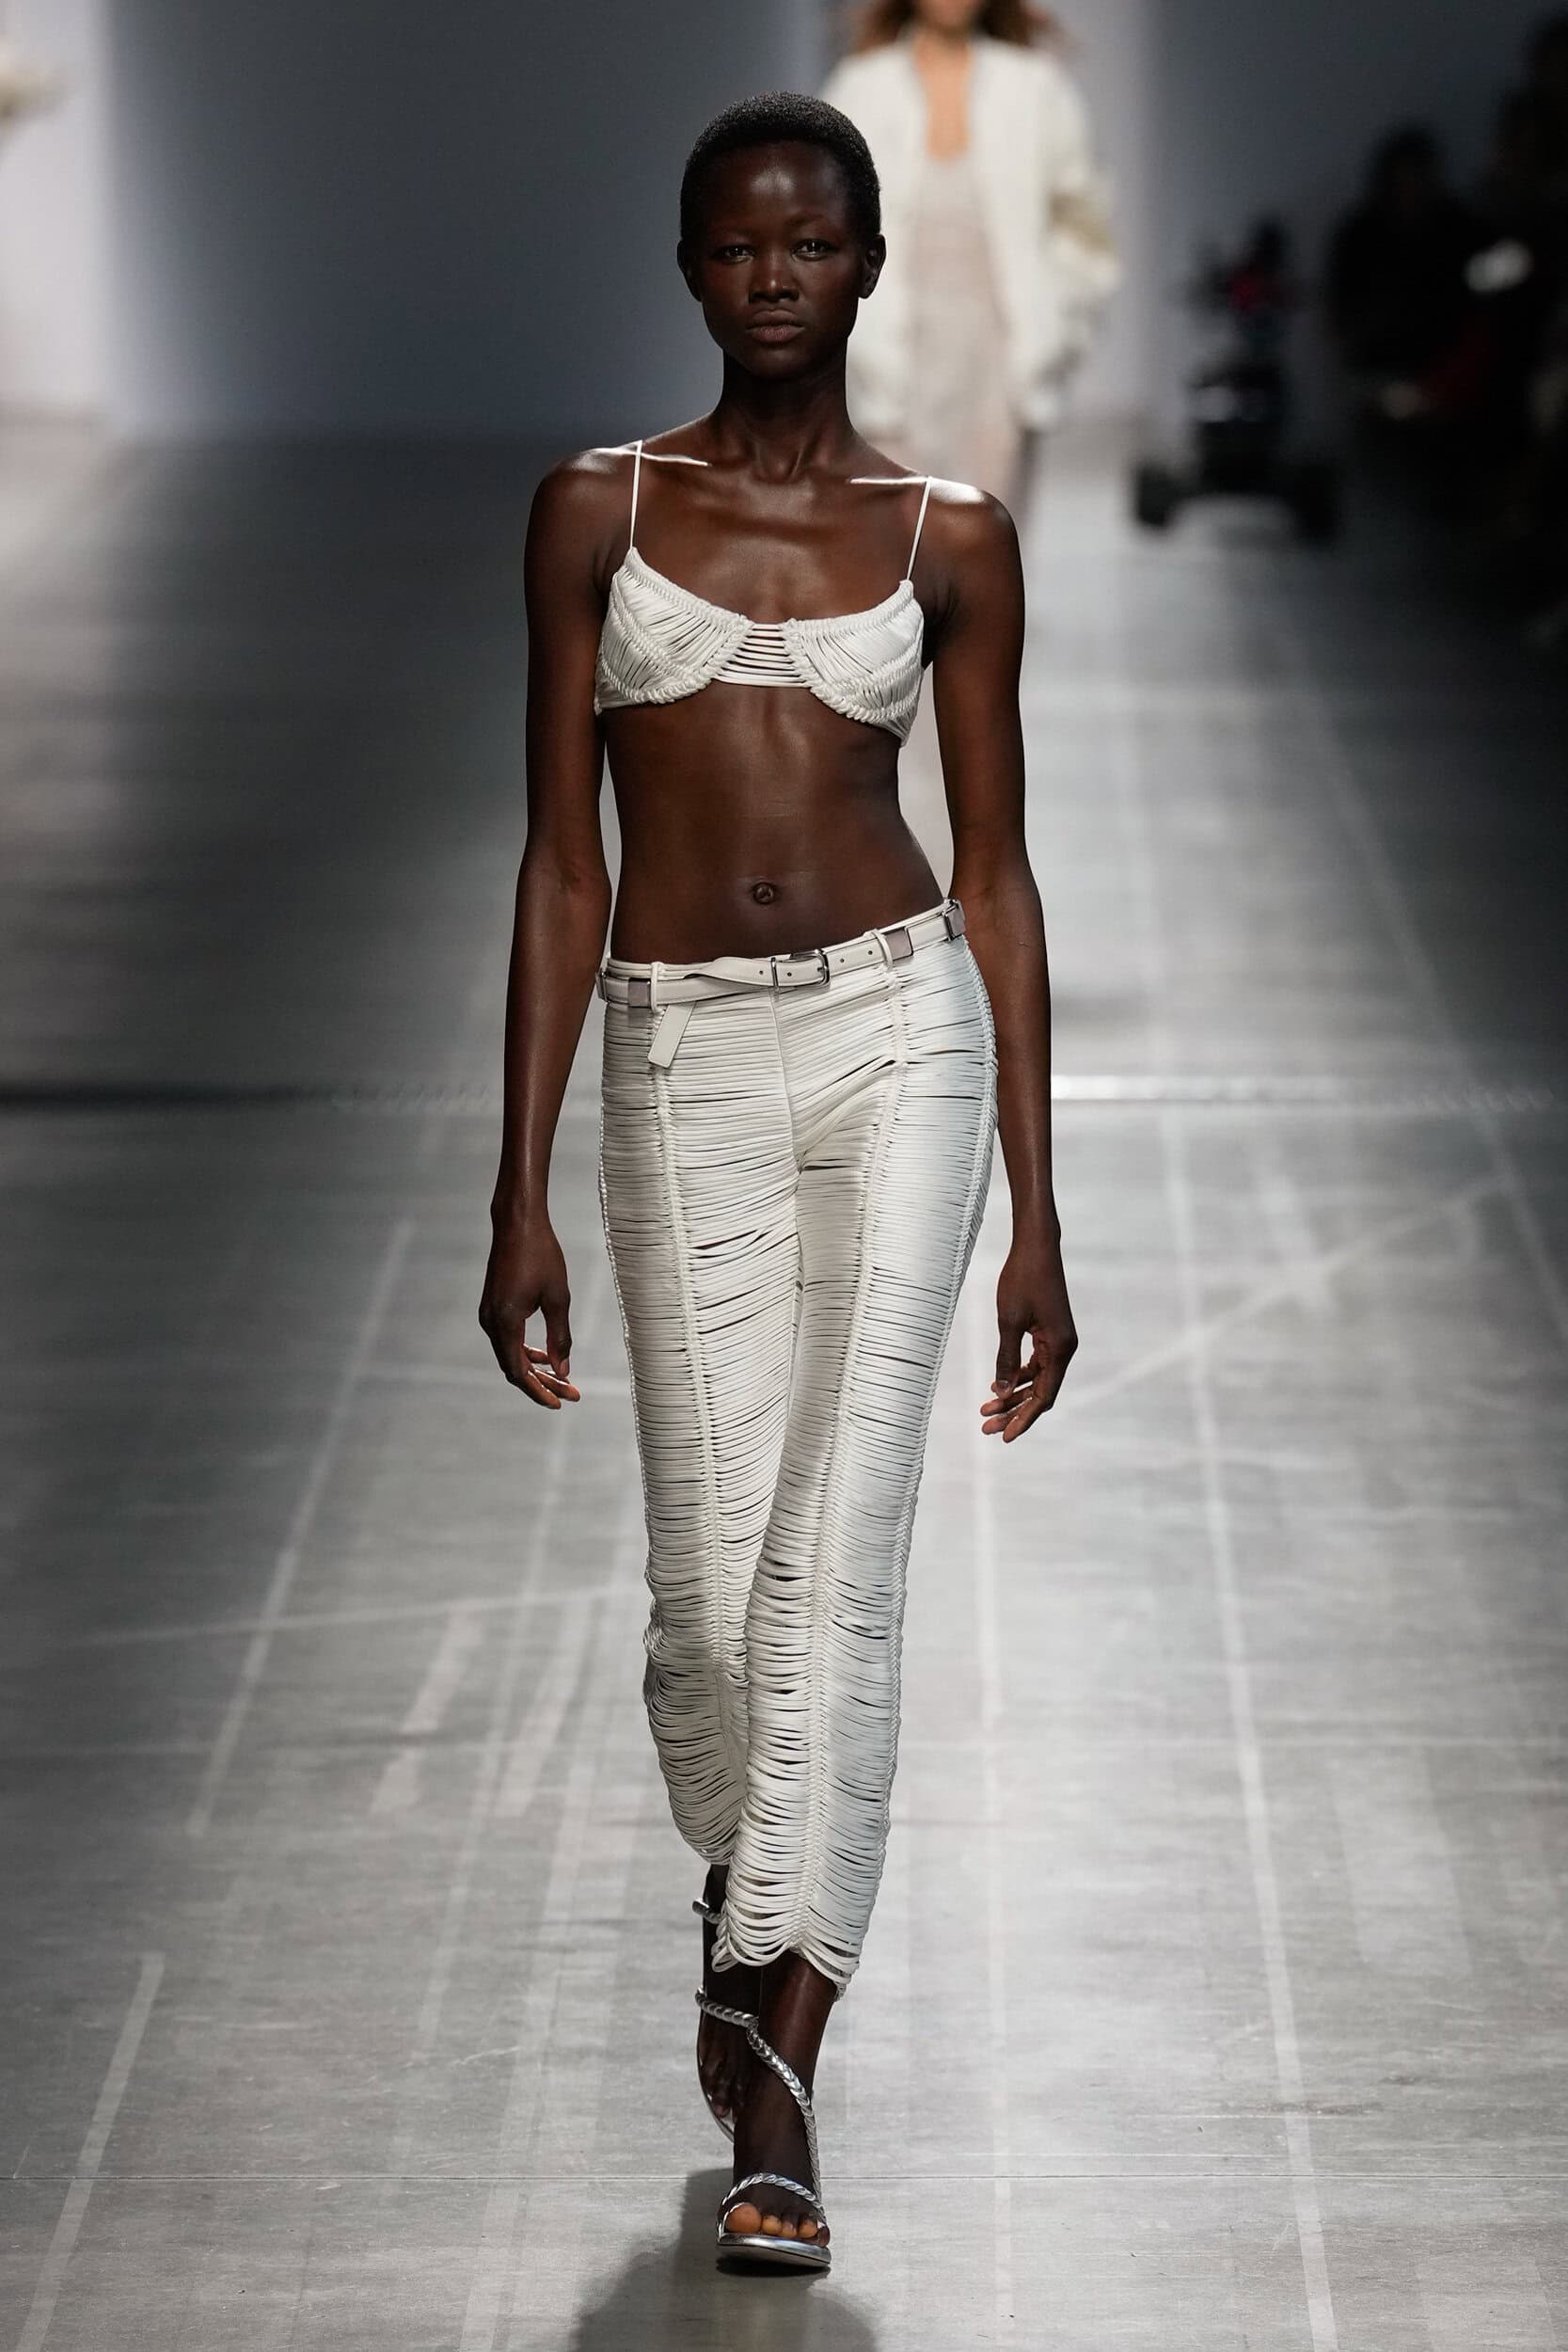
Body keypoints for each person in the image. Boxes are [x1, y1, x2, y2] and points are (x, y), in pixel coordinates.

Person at [479, 91, 1075, 2275]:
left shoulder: (950, 533)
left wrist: (1038, 1210)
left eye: (809, 244)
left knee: (837, 1571)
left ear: (868, 263)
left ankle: (785, 2070)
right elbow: (560, 867)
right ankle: (746, 1908)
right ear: (688, 266)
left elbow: (995, 876)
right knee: (706, 1617)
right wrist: (515, 1189)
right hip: (673, 1055)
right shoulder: (594, 508)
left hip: (898, 1034)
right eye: (737, 246)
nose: (773, 278)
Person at [822, 0, 1117, 507]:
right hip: (890, 355)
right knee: (896, 539)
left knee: (990, 532)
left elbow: (1084, 223)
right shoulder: (861, 87)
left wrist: (1059, 318)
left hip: (1000, 364)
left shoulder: (1035, 88)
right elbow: (823, 217)